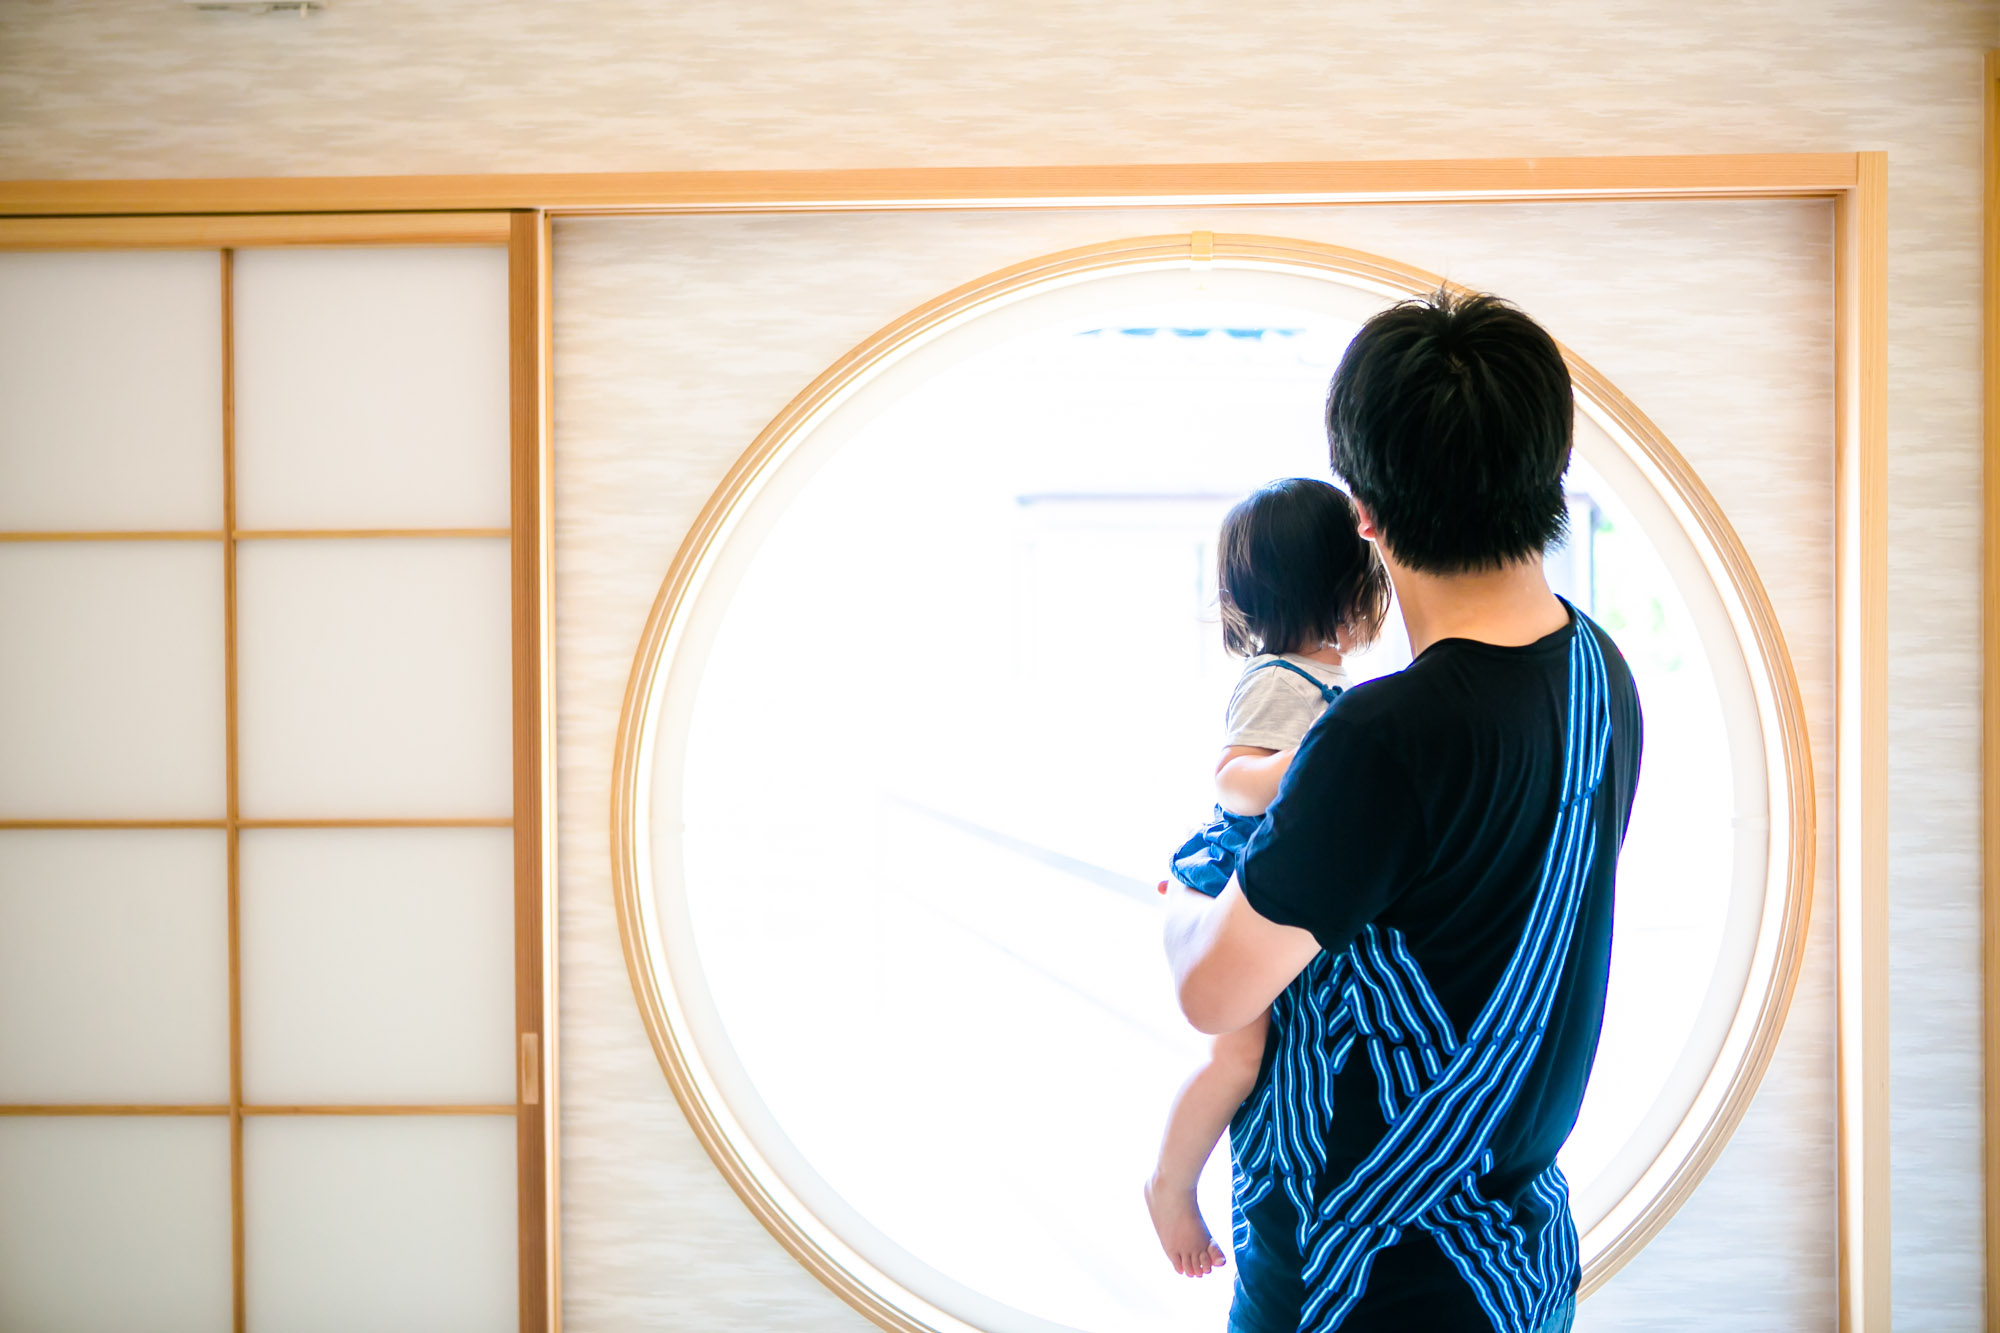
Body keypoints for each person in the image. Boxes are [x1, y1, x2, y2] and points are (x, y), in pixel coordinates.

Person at [1162, 290, 1643, 1333]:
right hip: (1516, 1267)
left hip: (1355, 1291)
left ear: (1366, 513)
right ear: (1547, 469)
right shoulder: (1601, 673)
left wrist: (1177, 896)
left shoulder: (1381, 739)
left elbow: (1210, 991)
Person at [1145, 477, 1391, 1280]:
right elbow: (1232, 778)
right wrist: (1314, 763)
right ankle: (1170, 1185)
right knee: (1238, 1059)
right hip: (1231, 874)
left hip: (1268, 875)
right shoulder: (1278, 677)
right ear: (1347, 586)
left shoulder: (1326, 680)